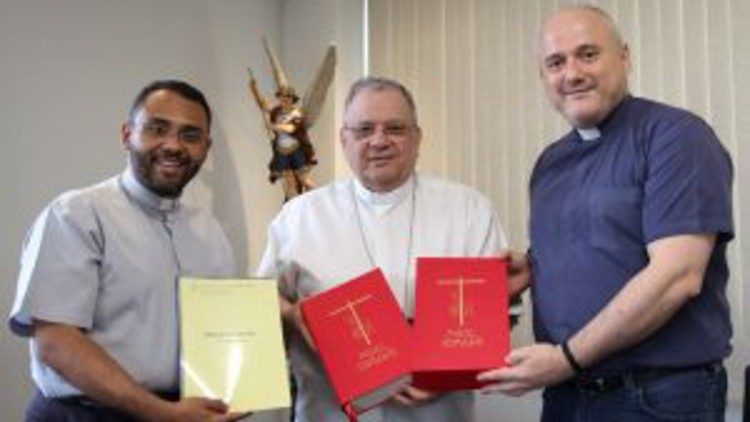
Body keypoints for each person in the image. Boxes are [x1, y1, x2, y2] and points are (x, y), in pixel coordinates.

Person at [478, 5, 734, 421]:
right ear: (543, 77)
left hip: (657, 398)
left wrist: (566, 358)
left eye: (588, 54)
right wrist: (533, 268)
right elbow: (598, 250)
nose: (572, 73)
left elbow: (678, 277)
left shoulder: (676, 137)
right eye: (556, 63)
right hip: (566, 398)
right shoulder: (549, 164)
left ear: (625, 57)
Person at [257, 76, 524, 422]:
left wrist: (445, 373)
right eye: (364, 129)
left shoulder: (469, 209)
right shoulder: (299, 216)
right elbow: (261, 301)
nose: (379, 141)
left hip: (437, 413)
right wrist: (294, 314)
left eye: (395, 128)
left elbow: (501, 314)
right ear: (344, 139)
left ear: (417, 138)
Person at [8, 80, 244, 421]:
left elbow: (225, 331)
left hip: (185, 412)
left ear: (206, 148)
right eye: (157, 129)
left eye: (190, 136)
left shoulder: (212, 232)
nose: (173, 145)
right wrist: (163, 413)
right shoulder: (75, 215)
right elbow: (56, 343)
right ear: (126, 134)